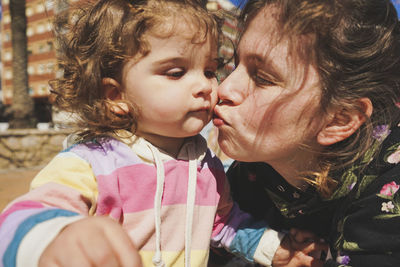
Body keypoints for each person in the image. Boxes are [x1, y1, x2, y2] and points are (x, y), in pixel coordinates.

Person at [0, 0, 326, 266]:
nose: (205, 86)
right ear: (117, 97)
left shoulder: (206, 166)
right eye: (176, 72)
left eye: (209, 70)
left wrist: (275, 249)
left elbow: (222, 224)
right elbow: (19, 219)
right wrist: (55, 239)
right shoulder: (93, 164)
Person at [211, 0, 400, 266]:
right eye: (234, 64)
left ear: (338, 119)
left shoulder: (389, 193)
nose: (224, 88)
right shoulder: (254, 170)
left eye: (263, 77)